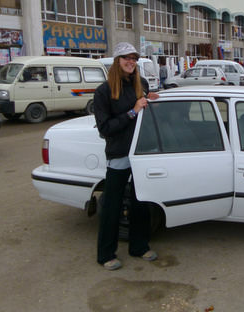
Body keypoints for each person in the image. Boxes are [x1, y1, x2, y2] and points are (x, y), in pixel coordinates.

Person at [93, 42, 159, 270]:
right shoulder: (103, 91)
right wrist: (133, 111)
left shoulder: (141, 83)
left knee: (141, 202)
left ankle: (138, 246)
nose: (130, 62)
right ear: (117, 61)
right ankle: (105, 254)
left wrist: (149, 100)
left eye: (133, 58)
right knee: (112, 206)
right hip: (119, 153)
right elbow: (105, 128)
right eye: (125, 58)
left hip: (141, 153)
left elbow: (142, 109)